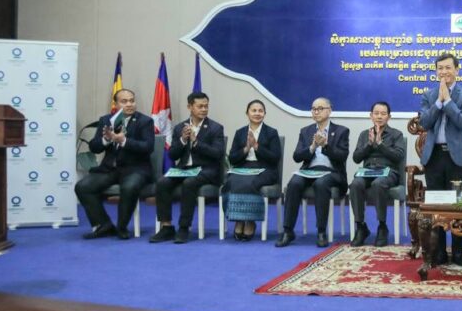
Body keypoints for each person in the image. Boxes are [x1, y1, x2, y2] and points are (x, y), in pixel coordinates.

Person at [74, 88, 154, 240]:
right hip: (110, 169)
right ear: (116, 104)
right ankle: (103, 225)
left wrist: (124, 141)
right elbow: (94, 147)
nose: (129, 104)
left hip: (136, 169)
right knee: (83, 187)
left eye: (132, 101)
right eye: (124, 101)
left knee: (129, 187)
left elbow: (147, 147)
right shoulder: (106, 121)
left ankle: (121, 227)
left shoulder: (145, 121)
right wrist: (106, 139)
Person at [419, 53, 462, 266]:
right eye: (440, 68)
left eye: (448, 68)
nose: (444, 72)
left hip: (457, 158)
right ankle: (439, 251)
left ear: (457, 70)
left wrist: (448, 101)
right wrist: (438, 103)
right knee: (437, 205)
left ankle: (458, 253)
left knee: (458, 206)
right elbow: (425, 122)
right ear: (436, 71)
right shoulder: (428, 95)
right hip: (434, 157)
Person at [149, 92, 225, 244]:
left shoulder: (215, 128)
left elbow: (217, 154)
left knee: (189, 183)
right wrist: (183, 140)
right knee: (162, 182)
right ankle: (166, 227)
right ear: (190, 107)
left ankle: (184, 227)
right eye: (200, 106)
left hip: (206, 170)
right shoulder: (180, 128)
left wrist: (196, 142)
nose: (204, 109)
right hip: (184, 169)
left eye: (206, 106)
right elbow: (172, 155)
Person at [275, 97, 349, 248]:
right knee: (294, 183)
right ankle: (288, 230)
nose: (316, 112)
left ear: (329, 110)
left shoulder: (341, 131)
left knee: (321, 183)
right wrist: (312, 147)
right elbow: (297, 156)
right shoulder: (306, 131)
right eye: (314, 109)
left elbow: (342, 156)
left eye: (320, 109)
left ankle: (321, 231)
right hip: (309, 171)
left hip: (332, 173)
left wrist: (326, 145)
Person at [348, 101, 406, 247]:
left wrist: (380, 145)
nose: (379, 116)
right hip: (367, 171)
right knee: (355, 184)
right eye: (376, 113)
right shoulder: (364, 135)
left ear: (389, 117)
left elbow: (398, 157)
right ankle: (360, 227)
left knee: (378, 183)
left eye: (383, 114)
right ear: (371, 116)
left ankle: (382, 226)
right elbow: (356, 158)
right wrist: (369, 145)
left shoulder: (396, 134)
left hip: (388, 172)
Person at [223, 99, 281, 241]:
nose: (257, 113)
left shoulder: (271, 132)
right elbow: (232, 158)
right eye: (254, 110)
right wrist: (246, 148)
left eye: (260, 111)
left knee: (250, 182)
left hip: (265, 169)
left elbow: (275, 158)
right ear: (247, 113)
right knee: (231, 180)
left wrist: (256, 147)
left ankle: (250, 220)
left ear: (264, 114)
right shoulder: (240, 132)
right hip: (243, 168)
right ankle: (238, 219)